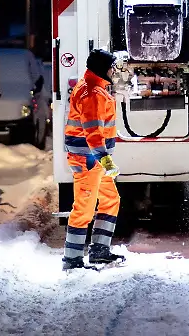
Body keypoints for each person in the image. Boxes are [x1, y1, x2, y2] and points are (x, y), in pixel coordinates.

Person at [62, 49, 126, 270]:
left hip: (94, 160)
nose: (113, 71)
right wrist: (105, 160)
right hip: (89, 160)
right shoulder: (93, 94)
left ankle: (99, 251)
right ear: (102, 69)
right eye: (110, 67)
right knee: (84, 208)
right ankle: (72, 260)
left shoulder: (93, 87)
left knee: (110, 200)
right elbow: (92, 132)